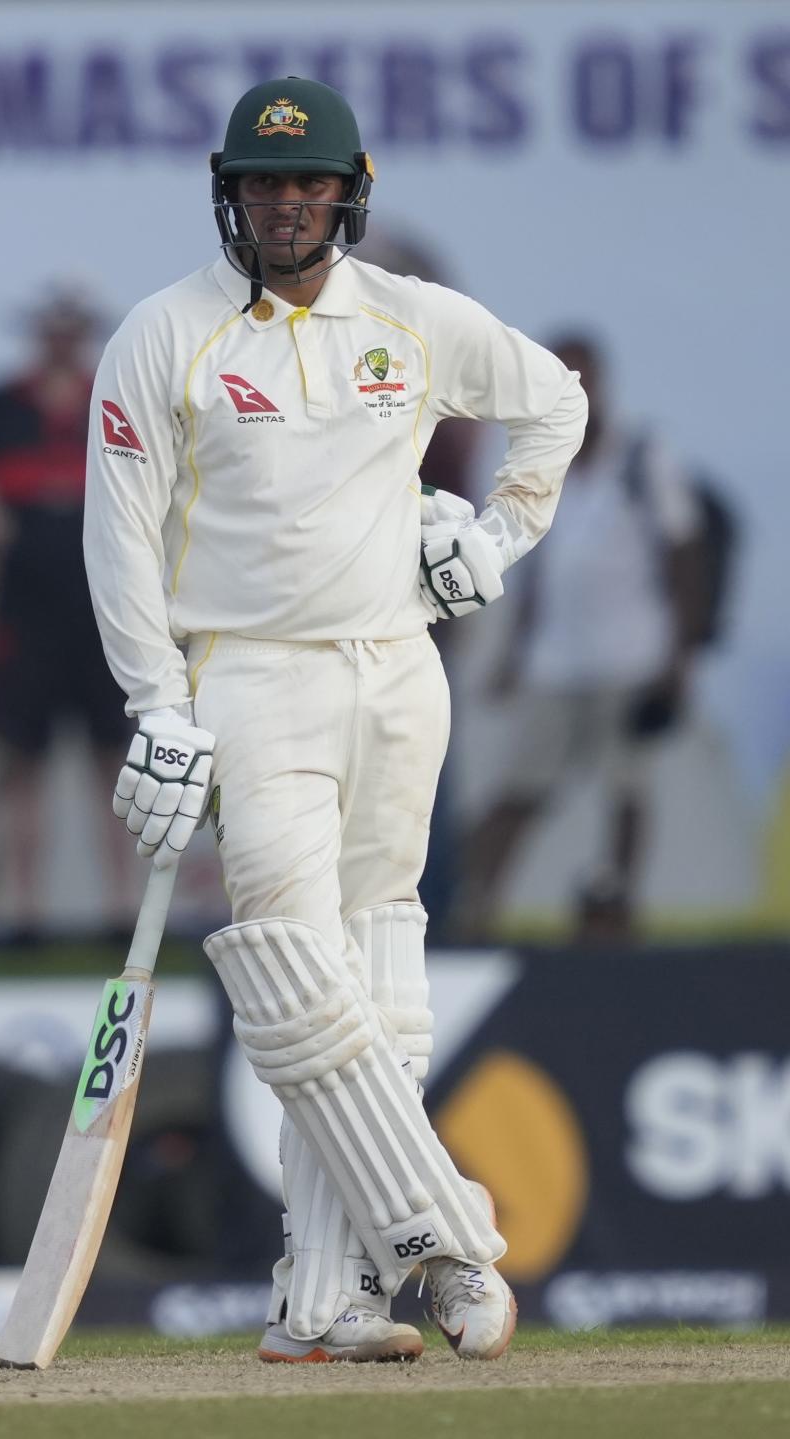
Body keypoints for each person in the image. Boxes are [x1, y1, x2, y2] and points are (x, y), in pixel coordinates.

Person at [84, 77, 587, 1363]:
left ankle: (321, 1302)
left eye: (307, 184)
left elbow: (554, 401)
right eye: (263, 182)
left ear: (349, 190)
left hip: (399, 668)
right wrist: (158, 699)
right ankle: (448, 1238)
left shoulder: (410, 322)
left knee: (383, 972)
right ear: (229, 191)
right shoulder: (165, 332)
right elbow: (123, 541)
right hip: (250, 676)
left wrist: (496, 537)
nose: (286, 203)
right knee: (298, 974)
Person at [444, 333, 705, 944]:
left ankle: (614, 908)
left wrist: (679, 656)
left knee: (626, 790)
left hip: (629, 656)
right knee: (519, 788)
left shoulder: (642, 453)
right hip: (555, 662)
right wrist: (513, 653)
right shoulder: (542, 460)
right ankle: (476, 910)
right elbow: (537, 559)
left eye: (582, 380)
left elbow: (684, 550)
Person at [0, 287, 135, 936]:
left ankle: (124, 910)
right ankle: (24, 909)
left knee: (112, 763)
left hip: (104, 604)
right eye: (51, 328)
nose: (61, 339)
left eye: (73, 327)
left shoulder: (116, 397)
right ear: (36, 334)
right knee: (22, 762)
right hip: (24, 610)